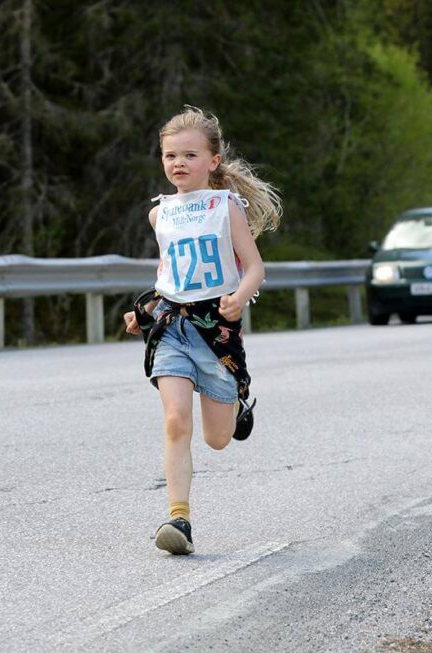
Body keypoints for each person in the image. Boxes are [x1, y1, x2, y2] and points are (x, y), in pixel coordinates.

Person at [122, 107, 282, 555]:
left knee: (217, 439)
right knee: (175, 420)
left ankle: (235, 402)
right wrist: (145, 312)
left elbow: (254, 267)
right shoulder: (160, 215)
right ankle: (179, 520)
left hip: (217, 328)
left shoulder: (225, 206)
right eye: (170, 155)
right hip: (172, 325)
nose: (178, 163)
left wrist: (240, 296)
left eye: (190, 155)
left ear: (213, 161)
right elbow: (167, 272)